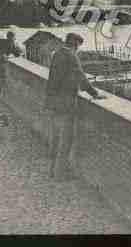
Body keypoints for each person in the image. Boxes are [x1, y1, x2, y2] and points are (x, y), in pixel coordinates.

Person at [45, 32, 106, 180]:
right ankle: (60, 174)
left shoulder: (57, 53)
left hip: (53, 102)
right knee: (66, 139)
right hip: (65, 103)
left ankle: (53, 170)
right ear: (75, 44)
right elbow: (81, 77)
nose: (78, 49)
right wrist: (95, 93)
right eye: (78, 45)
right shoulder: (71, 56)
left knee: (56, 137)